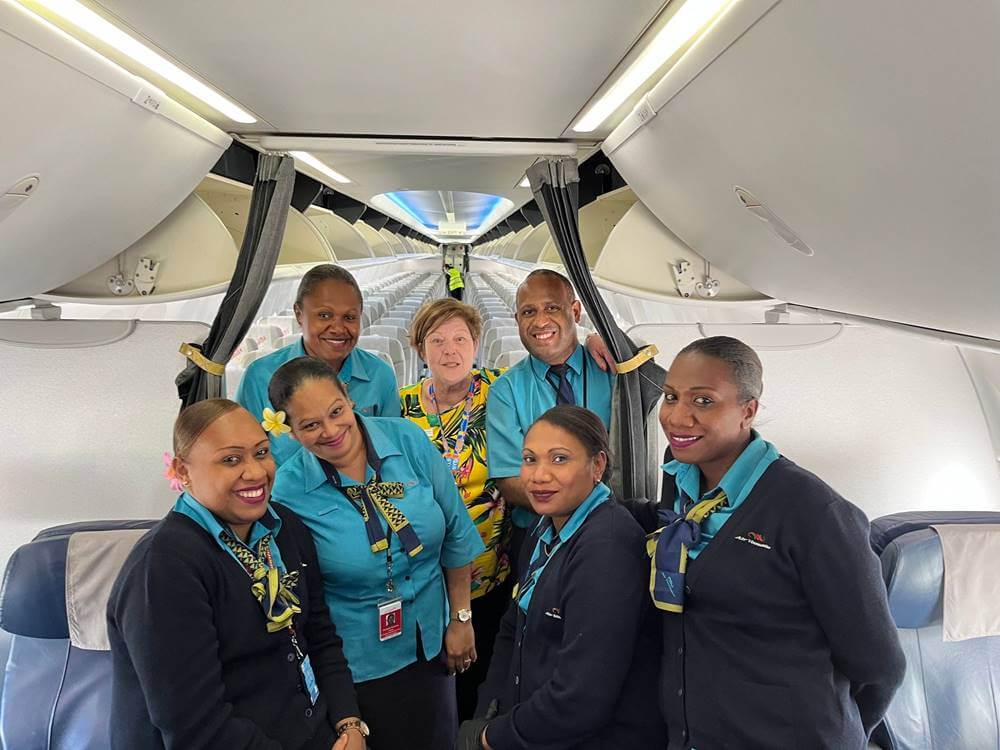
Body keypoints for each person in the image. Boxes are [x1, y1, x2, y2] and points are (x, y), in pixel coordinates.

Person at [631, 336, 905, 749]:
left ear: (748, 411)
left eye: (703, 401)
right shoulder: (682, 479)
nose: (678, 416)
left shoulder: (814, 513)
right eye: (671, 397)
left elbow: (880, 665)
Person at [107, 399, 367, 750]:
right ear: (183, 472)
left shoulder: (285, 527)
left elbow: (319, 636)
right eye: (231, 460)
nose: (256, 472)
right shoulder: (163, 569)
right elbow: (197, 729)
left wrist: (350, 724)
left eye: (261, 453)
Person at [267, 357, 486, 750]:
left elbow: (456, 531)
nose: (331, 431)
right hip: (358, 663)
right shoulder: (288, 492)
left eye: (336, 412)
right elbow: (302, 598)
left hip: (433, 641)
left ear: (348, 396)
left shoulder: (407, 440)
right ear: (291, 432)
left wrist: (461, 617)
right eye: (311, 425)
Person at [456, 406, 665, 750]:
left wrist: (490, 737)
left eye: (559, 459)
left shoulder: (607, 548)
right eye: (530, 459)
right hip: (535, 728)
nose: (539, 475)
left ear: (597, 466)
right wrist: (488, 711)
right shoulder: (545, 527)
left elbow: (580, 699)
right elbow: (512, 628)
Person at [398, 298, 510, 720]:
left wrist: (593, 343)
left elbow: (550, 371)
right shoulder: (400, 407)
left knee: (476, 685)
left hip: (486, 573)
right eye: (437, 340)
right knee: (427, 689)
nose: (450, 351)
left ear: (476, 345)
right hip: (421, 576)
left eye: (460, 339)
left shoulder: (501, 392)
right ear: (420, 349)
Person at [485, 269, 615, 575]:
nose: (540, 321)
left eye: (552, 308)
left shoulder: (613, 368)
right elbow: (509, 479)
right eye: (529, 312)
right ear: (517, 320)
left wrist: (607, 337)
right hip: (537, 533)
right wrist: (575, 509)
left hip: (610, 526)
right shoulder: (505, 390)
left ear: (575, 312)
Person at [236, 264, 400, 466]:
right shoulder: (260, 376)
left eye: (349, 317)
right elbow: (246, 458)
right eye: (324, 315)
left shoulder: (379, 375)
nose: (338, 328)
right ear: (299, 314)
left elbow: (391, 453)